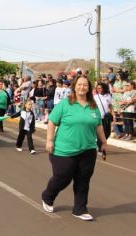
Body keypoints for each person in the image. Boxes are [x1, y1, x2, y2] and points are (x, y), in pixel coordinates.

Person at [41, 76, 107, 221]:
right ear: (74, 86)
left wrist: (103, 142)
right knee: (63, 178)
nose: (82, 87)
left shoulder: (93, 106)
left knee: (83, 180)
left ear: (89, 88)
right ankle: (47, 196)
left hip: (88, 150)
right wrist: (49, 141)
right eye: (79, 84)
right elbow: (52, 122)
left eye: (85, 85)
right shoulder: (65, 104)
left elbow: (98, 125)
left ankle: (79, 209)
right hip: (63, 150)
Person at [94, 82, 114, 160]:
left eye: (100, 88)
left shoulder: (108, 96)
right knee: (100, 133)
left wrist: (113, 115)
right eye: (97, 88)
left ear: (104, 88)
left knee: (107, 133)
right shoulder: (95, 97)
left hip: (107, 117)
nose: (99, 89)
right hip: (98, 117)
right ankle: (100, 149)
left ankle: (98, 143)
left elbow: (110, 106)